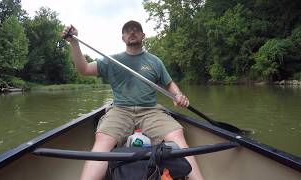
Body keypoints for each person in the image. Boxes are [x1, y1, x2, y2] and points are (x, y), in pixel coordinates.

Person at [62, 20, 204, 180]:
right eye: (128, 30)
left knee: (177, 134)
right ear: (123, 38)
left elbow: (169, 83)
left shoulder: (155, 61)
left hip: (151, 110)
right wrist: (74, 42)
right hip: (120, 110)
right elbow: (84, 69)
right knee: (103, 139)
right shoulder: (111, 60)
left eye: (136, 29)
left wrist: (178, 94)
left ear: (143, 35)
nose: (132, 32)